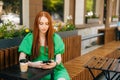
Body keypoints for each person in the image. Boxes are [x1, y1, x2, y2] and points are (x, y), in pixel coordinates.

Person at [18, 11, 70, 80]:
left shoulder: (55, 37)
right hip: (37, 71)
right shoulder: (30, 38)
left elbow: (58, 58)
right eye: (41, 24)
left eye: (47, 24)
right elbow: (21, 59)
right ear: (37, 24)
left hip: (56, 70)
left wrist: (55, 63)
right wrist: (33, 64)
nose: (44, 27)